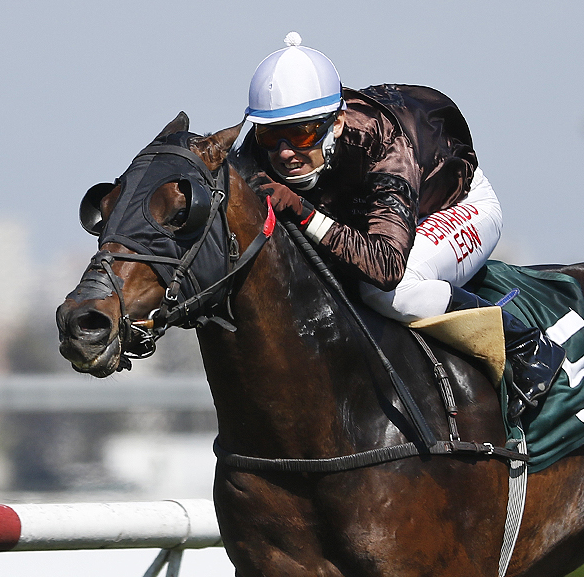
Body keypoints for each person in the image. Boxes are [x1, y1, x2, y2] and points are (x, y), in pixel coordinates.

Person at [241, 33, 564, 418]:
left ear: (337, 122)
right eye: (270, 135)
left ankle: (526, 345)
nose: (284, 152)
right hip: (377, 219)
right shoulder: (263, 149)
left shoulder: (383, 147)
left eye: (301, 133)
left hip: (453, 206)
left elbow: (386, 268)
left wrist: (304, 213)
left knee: (388, 292)